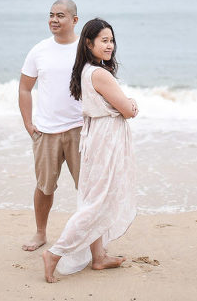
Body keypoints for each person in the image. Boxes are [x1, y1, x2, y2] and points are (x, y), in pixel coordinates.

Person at [42, 18, 138, 283]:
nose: (110, 46)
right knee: (97, 202)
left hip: (97, 138)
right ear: (89, 43)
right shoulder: (100, 74)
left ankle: (98, 257)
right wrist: (132, 103)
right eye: (103, 41)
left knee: (95, 198)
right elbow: (128, 111)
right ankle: (55, 253)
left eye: (111, 40)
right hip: (106, 139)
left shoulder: (86, 70)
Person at [19, 0, 84, 252]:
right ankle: (40, 233)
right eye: (51, 15)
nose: (54, 20)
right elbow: (25, 88)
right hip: (46, 132)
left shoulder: (85, 49)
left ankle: (89, 237)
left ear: (74, 20)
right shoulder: (39, 50)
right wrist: (28, 123)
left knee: (87, 189)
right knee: (44, 187)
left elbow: (102, 83)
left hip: (80, 129)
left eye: (60, 15)